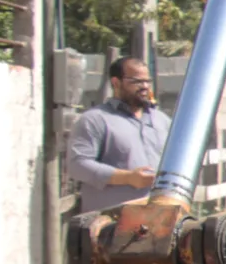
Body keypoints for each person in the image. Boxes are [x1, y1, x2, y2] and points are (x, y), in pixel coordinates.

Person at [67, 56, 170, 213]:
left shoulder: (162, 120)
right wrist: (128, 178)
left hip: (160, 218)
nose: (145, 87)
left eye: (147, 81)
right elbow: (78, 165)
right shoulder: (95, 119)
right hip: (111, 225)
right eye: (136, 81)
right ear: (116, 83)